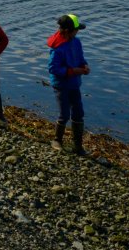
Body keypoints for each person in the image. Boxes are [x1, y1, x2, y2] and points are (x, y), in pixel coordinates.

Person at [47, 13, 90, 154]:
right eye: (76, 29)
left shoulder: (76, 42)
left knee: (78, 113)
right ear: (67, 31)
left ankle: (77, 146)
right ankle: (57, 140)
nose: (78, 32)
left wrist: (84, 65)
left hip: (74, 84)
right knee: (64, 114)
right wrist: (73, 71)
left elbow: (80, 58)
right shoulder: (57, 48)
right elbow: (53, 68)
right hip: (61, 85)